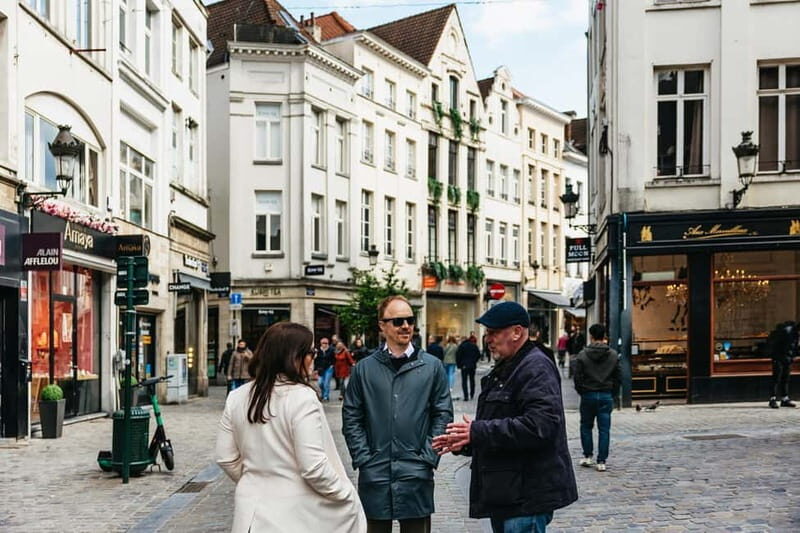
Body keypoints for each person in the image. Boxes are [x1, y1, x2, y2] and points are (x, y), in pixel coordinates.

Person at [433, 301, 577, 533]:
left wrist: (477, 432)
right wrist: (466, 440)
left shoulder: (535, 367)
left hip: (525, 495)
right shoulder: (509, 366)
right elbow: (498, 425)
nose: (488, 339)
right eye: (487, 333)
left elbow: (539, 426)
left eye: (493, 332)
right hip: (507, 492)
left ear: (517, 332)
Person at [215, 322, 366, 532]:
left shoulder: (237, 397)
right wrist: (345, 493)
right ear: (294, 356)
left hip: (250, 513)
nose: (313, 358)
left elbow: (225, 457)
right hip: (293, 516)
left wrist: (256, 481)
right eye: (311, 352)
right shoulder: (302, 398)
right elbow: (313, 467)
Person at [343, 295, 453, 533]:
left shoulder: (432, 367)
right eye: (398, 321)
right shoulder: (364, 368)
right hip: (376, 472)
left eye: (410, 320)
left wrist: (427, 457)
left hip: (416, 473)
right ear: (382, 325)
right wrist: (364, 458)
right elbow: (352, 417)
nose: (405, 326)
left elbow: (442, 415)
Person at [573, 323, 621, 472]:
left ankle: (588, 455)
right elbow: (618, 376)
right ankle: (601, 461)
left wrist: (582, 391)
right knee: (604, 429)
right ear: (604, 336)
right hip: (606, 394)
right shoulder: (613, 355)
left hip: (588, 394)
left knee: (586, 426)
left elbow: (577, 377)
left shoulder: (582, 355)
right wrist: (613, 393)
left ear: (591, 336)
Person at [767, 321, 798, 408]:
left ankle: (785, 398)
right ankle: (772, 399)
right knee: (776, 378)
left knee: (786, 378)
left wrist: (792, 357)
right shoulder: (787, 332)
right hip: (779, 357)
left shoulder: (795, 333)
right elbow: (776, 344)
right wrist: (776, 358)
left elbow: (794, 346)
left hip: (788, 358)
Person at [456, 335, 481, 401]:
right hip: (472, 365)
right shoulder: (473, 346)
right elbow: (478, 355)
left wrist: (459, 365)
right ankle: (472, 394)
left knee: (464, 381)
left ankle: (466, 396)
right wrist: (474, 361)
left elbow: (458, 356)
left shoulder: (461, 346)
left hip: (464, 365)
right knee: (472, 380)